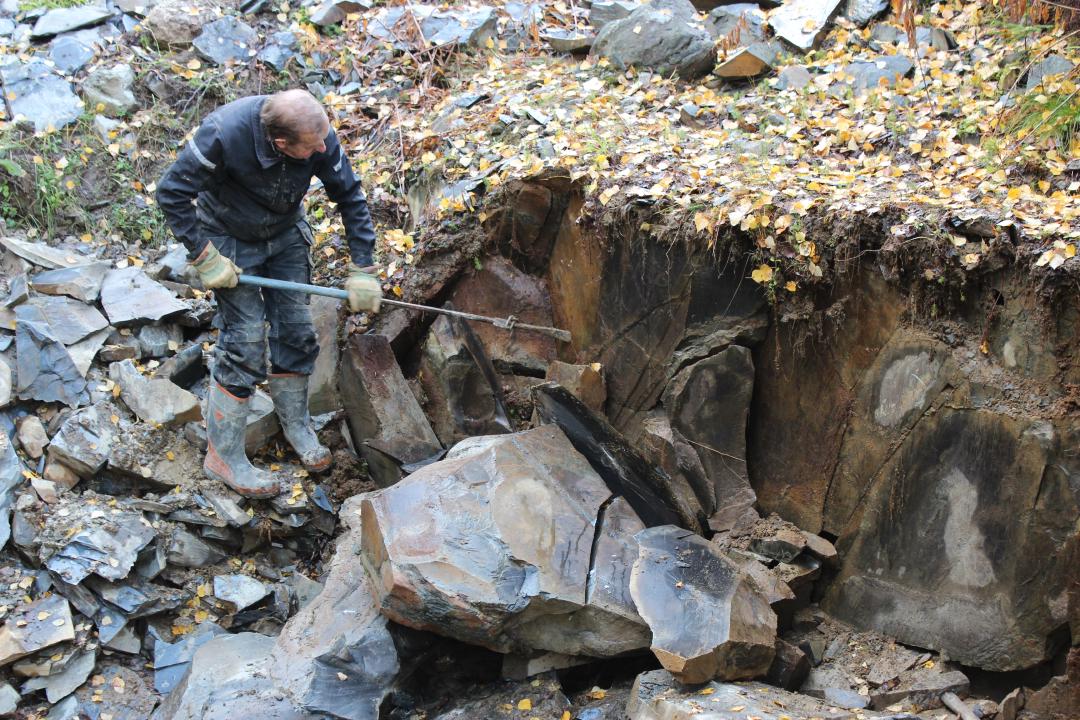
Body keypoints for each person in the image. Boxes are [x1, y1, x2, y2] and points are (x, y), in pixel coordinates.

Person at [156, 89, 381, 499]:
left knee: (296, 331)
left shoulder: (316, 135)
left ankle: (295, 424)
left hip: (284, 233)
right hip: (229, 235)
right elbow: (171, 192)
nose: (322, 148)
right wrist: (205, 255)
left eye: (322, 141)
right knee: (244, 342)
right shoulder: (223, 135)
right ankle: (222, 455)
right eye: (312, 147)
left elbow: (349, 194)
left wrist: (363, 268)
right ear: (280, 143)